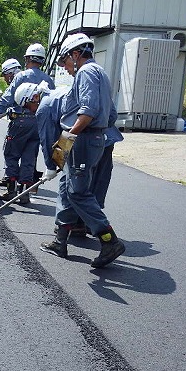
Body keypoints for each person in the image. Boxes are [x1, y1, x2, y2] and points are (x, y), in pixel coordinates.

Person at [41, 33, 125, 268]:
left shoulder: (86, 72)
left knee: (77, 191)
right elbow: (110, 115)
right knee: (68, 188)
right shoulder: (101, 73)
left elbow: (88, 111)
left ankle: (108, 239)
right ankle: (60, 241)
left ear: (75, 55)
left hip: (84, 139)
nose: (65, 69)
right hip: (91, 138)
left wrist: (69, 137)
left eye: (66, 62)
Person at [0, 44, 55, 204]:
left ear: (27, 58)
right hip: (39, 124)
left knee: (11, 153)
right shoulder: (48, 79)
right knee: (29, 157)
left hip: (20, 121)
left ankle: (10, 190)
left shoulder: (21, 76)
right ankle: (24, 193)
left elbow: (7, 99)